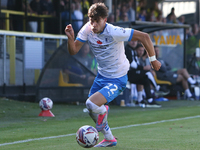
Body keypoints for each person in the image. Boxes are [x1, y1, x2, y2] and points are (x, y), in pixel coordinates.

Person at [65, 3, 161, 147]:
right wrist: (70, 37)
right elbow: (73, 51)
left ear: (105, 19)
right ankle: (109, 138)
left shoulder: (114, 31)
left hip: (117, 79)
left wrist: (153, 60)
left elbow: (144, 37)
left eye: (97, 21)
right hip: (101, 76)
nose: (93, 24)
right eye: (91, 20)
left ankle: (104, 110)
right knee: (92, 110)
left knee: (91, 104)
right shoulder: (87, 29)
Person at [125, 42, 163, 108]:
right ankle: (157, 88)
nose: (134, 43)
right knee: (147, 73)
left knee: (145, 80)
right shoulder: (128, 50)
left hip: (132, 73)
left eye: (135, 41)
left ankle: (147, 100)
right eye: (140, 50)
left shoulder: (132, 51)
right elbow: (131, 64)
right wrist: (143, 68)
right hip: (127, 74)